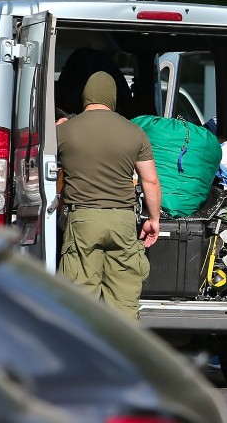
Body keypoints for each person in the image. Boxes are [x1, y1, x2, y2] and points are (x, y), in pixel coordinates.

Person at [57, 71, 162, 322]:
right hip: (123, 222)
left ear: (85, 96)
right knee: (124, 302)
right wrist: (153, 220)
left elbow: (42, 167)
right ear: (113, 97)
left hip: (82, 221)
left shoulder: (64, 130)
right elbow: (150, 180)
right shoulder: (134, 132)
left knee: (78, 301)